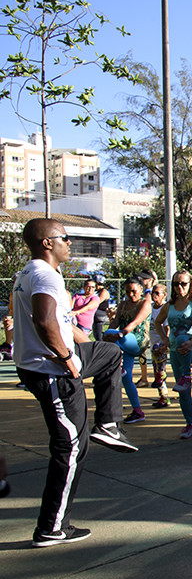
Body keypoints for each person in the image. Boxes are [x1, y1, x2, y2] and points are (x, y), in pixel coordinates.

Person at [13, 219, 136, 548]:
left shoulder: (27, 273)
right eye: (65, 238)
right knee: (69, 448)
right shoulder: (44, 275)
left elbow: (64, 324)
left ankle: (109, 424)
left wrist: (80, 345)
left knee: (109, 352)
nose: (70, 243)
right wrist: (69, 359)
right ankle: (52, 527)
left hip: (46, 364)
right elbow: (44, 320)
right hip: (51, 371)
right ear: (47, 243)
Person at [154, 270, 192, 439]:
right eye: (176, 284)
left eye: (183, 283)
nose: (180, 287)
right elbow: (157, 322)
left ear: (190, 284)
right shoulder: (169, 305)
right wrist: (164, 338)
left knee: (182, 337)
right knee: (183, 391)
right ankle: (190, 424)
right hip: (177, 349)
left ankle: (186, 375)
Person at [105, 277, 152, 425]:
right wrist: (107, 335)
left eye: (134, 291)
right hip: (125, 342)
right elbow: (115, 321)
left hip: (137, 341)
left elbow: (136, 322)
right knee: (126, 378)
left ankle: (117, 365)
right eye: (127, 292)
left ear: (141, 290)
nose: (131, 295)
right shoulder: (123, 304)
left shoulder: (144, 303)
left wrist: (119, 334)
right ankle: (137, 411)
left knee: (113, 336)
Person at [148, 283, 171, 409]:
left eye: (157, 293)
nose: (154, 295)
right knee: (157, 370)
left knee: (160, 371)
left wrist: (164, 344)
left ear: (164, 295)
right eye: (153, 292)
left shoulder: (165, 309)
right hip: (152, 344)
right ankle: (163, 397)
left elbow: (167, 328)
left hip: (160, 345)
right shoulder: (150, 307)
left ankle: (164, 397)